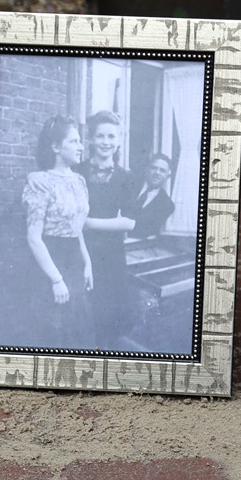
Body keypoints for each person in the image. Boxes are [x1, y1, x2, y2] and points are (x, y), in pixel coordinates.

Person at [22, 114, 95, 349]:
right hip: (50, 262)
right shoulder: (40, 182)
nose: (81, 147)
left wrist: (87, 263)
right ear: (55, 146)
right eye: (73, 141)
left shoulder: (80, 181)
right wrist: (56, 279)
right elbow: (33, 238)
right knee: (55, 333)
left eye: (80, 141)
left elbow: (77, 227)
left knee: (79, 328)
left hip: (74, 258)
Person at [77, 110, 137, 350]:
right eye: (100, 136)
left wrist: (89, 223)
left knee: (109, 317)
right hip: (80, 251)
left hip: (112, 256)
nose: (106, 142)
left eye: (111, 136)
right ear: (90, 139)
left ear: (119, 140)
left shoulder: (126, 177)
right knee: (82, 314)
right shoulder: (77, 172)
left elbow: (130, 222)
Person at [127, 153, 176, 239]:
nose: (157, 173)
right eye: (154, 168)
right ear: (147, 169)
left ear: (168, 176)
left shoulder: (167, 205)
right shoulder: (129, 184)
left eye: (162, 170)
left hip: (135, 245)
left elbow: (146, 229)